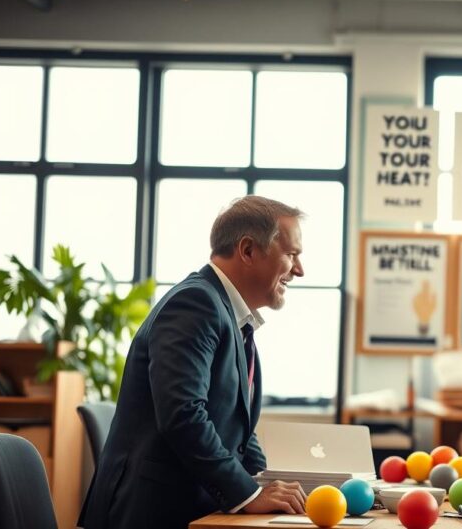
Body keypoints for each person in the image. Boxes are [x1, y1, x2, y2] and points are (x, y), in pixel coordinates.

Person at [79, 195, 309, 529]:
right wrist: (248, 494)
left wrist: (259, 485)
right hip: (150, 514)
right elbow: (183, 414)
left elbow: (238, 431)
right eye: (291, 255)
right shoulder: (196, 303)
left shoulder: (229, 314)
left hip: (189, 506)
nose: (299, 270)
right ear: (248, 251)